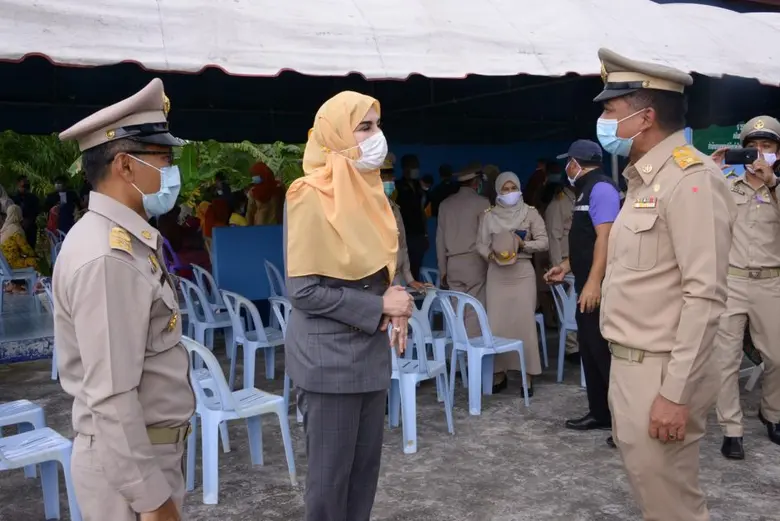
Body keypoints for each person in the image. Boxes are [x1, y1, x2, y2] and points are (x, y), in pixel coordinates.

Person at [594, 48, 736, 521]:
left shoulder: (690, 180)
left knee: (673, 506)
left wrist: (675, 393)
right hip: (632, 367)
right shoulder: (643, 181)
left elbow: (706, 295)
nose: (603, 119)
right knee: (653, 496)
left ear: (645, 116)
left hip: (661, 373)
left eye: (611, 110)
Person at [53, 78, 195, 521]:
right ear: (125, 167)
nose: (171, 172)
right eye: (164, 160)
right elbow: (112, 398)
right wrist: (152, 501)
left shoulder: (123, 241)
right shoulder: (107, 257)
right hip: (130, 472)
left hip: (140, 457)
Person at [284, 91, 413, 521]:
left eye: (377, 125)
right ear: (336, 135)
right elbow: (303, 291)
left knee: (363, 479)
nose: (378, 136)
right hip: (329, 362)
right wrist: (379, 304)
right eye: (366, 127)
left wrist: (396, 303)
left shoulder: (370, 193)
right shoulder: (308, 195)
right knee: (329, 485)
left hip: (370, 358)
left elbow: (380, 268)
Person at [710, 115, 780, 459]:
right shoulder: (726, 185)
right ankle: (731, 429)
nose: (758, 154)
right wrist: (708, 172)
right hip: (732, 281)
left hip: (771, 282)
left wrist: (773, 184)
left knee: (777, 357)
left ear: (777, 153)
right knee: (725, 359)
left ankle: (772, 412)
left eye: (766, 147)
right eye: (752, 148)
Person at [545, 140, 621, 447]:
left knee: (603, 352)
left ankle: (621, 421)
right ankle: (600, 412)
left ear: (576, 163)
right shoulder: (585, 190)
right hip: (585, 281)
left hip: (598, 287)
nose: (567, 169)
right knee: (590, 350)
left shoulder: (602, 188)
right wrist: (566, 265)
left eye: (569, 163)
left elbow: (606, 239)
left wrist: (593, 283)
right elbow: (586, 241)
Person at [477, 172, 548, 394]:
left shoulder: (530, 213)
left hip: (522, 274)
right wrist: (492, 256)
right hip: (497, 275)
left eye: (513, 188)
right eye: (505, 189)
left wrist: (524, 245)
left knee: (524, 325)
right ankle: (499, 373)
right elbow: (480, 244)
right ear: (498, 191)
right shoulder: (489, 216)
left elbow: (544, 242)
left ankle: (527, 376)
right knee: (497, 324)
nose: (510, 193)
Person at [436, 165, 490, 337]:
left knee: (456, 309)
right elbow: (487, 236)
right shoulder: (483, 203)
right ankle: (470, 355)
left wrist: (443, 269)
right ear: (475, 182)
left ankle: (457, 356)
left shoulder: (445, 204)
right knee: (474, 309)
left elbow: (440, 240)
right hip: (474, 262)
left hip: (452, 264)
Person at [381, 160, 426, 290]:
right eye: (385, 177)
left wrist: (409, 278)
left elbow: (402, 245)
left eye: (390, 176)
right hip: (380, 281)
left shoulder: (394, 207)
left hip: (397, 277)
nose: (391, 180)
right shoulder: (366, 209)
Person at [395, 154, 428, 280]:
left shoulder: (420, 186)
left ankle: (414, 297)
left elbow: (423, 211)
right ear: (405, 168)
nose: (415, 169)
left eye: (416, 166)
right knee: (402, 269)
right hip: (404, 235)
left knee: (416, 269)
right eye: (412, 166)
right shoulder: (397, 186)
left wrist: (425, 234)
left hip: (418, 235)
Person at [1, 204, 39, 276]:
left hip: (3, 265)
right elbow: (26, 249)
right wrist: (35, 255)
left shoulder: (4, 228)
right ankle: (35, 284)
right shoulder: (16, 230)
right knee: (35, 262)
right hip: (13, 264)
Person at [246, 161, 279, 225]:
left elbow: (249, 214)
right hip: (274, 227)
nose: (253, 177)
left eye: (255, 175)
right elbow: (250, 214)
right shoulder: (253, 192)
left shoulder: (278, 190)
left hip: (263, 227)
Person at [11, 175, 40, 248]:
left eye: (27, 182)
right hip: (16, 227)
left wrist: (29, 220)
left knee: (30, 247)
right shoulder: (12, 198)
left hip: (30, 227)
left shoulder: (33, 198)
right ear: (18, 184)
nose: (26, 183)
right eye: (24, 182)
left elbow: (36, 211)